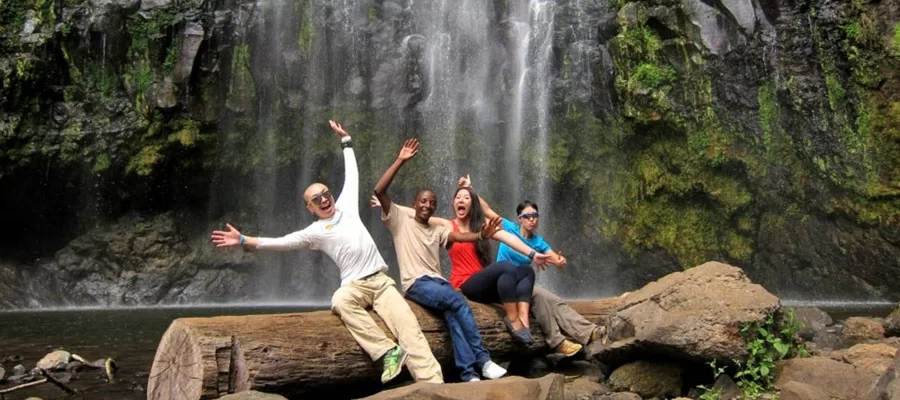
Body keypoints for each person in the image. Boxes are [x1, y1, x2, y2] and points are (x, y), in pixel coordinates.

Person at [210, 121, 443, 385]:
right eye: (316, 199)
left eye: (325, 193)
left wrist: (346, 140)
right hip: (355, 285)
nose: (323, 199)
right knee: (340, 300)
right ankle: (388, 351)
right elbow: (283, 242)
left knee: (410, 328)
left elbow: (352, 174)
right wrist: (243, 239)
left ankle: (434, 385)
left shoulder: (346, 206)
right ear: (310, 207)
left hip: (380, 282)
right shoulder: (315, 232)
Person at [373, 138, 508, 383]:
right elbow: (380, 191)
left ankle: (468, 375)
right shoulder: (400, 221)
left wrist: (480, 235)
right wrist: (400, 160)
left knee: (453, 316)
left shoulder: (437, 230)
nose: (427, 205)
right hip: (417, 284)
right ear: (414, 204)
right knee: (458, 301)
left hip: (438, 283)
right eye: (423, 201)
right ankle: (484, 359)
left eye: (432, 203)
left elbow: (459, 235)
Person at [370, 186, 552, 344]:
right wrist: (389, 206)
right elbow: (416, 211)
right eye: (458, 198)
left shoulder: (482, 226)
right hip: (464, 285)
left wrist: (533, 254)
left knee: (526, 270)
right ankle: (513, 320)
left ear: (472, 204)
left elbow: (508, 237)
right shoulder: (446, 225)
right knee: (505, 266)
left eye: (466, 197)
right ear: (453, 203)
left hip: (483, 285)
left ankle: (523, 320)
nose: (461, 200)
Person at [458, 174, 609, 358]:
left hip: (523, 284)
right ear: (519, 218)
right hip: (503, 285)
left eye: (535, 216)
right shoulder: (508, 228)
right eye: (527, 216)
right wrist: (470, 189)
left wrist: (560, 261)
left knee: (554, 300)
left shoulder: (539, 242)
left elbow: (554, 257)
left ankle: (590, 332)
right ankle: (557, 341)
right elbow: (486, 209)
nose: (532, 220)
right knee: (542, 299)